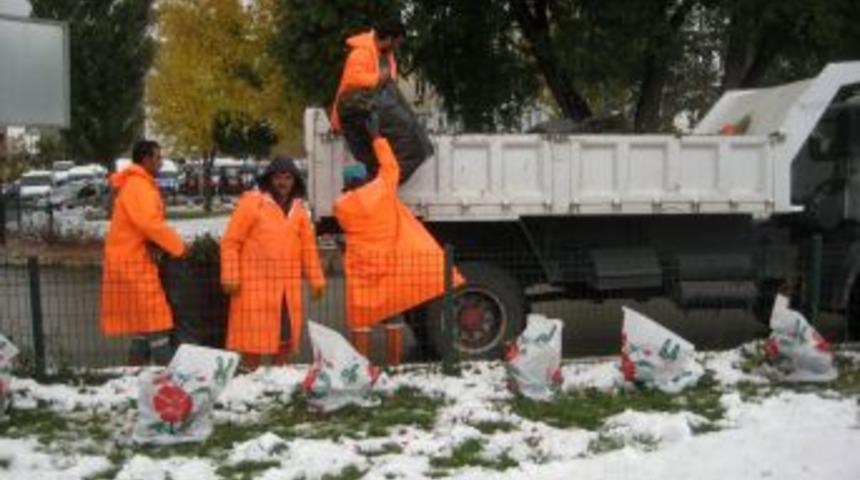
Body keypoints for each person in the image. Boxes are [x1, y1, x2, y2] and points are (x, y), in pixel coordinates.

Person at [334, 114, 463, 364]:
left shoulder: (341, 206)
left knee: (361, 320)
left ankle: (362, 365)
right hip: (389, 264)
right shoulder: (381, 190)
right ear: (365, 178)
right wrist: (377, 138)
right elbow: (390, 167)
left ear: (346, 185)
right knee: (392, 317)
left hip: (364, 266)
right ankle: (394, 365)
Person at [220, 156, 326, 370]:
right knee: (253, 340)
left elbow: (308, 248)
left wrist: (316, 278)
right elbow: (231, 242)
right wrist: (230, 275)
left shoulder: (299, 210)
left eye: (288, 178)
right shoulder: (252, 202)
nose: (283, 182)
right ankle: (251, 380)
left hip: (287, 290)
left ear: (295, 181)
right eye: (279, 177)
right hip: (254, 288)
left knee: (285, 338)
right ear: (269, 179)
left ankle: (280, 378)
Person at [101, 140, 187, 365]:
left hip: (129, 260)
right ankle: (168, 379)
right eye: (158, 158)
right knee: (156, 319)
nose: (161, 162)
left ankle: (133, 375)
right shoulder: (140, 186)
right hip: (134, 262)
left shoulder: (135, 184)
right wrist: (178, 247)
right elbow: (149, 224)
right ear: (146, 159)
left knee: (142, 325)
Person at [330, 17, 407, 176]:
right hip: (354, 118)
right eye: (397, 42)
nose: (398, 47)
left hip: (370, 117)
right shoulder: (360, 53)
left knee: (376, 164)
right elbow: (353, 79)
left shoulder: (387, 56)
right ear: (388, 39)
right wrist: (378, 78)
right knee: (370, 164)